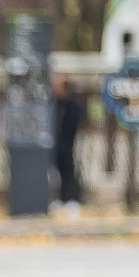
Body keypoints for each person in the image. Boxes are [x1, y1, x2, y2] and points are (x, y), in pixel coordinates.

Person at [50, 75, 85, 213]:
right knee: (54, 173)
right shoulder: (54, 105)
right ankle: (57, 199)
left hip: (67, 143)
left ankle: (71, 199)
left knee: (68, 172)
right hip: (55, 144)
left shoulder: (72, 106)